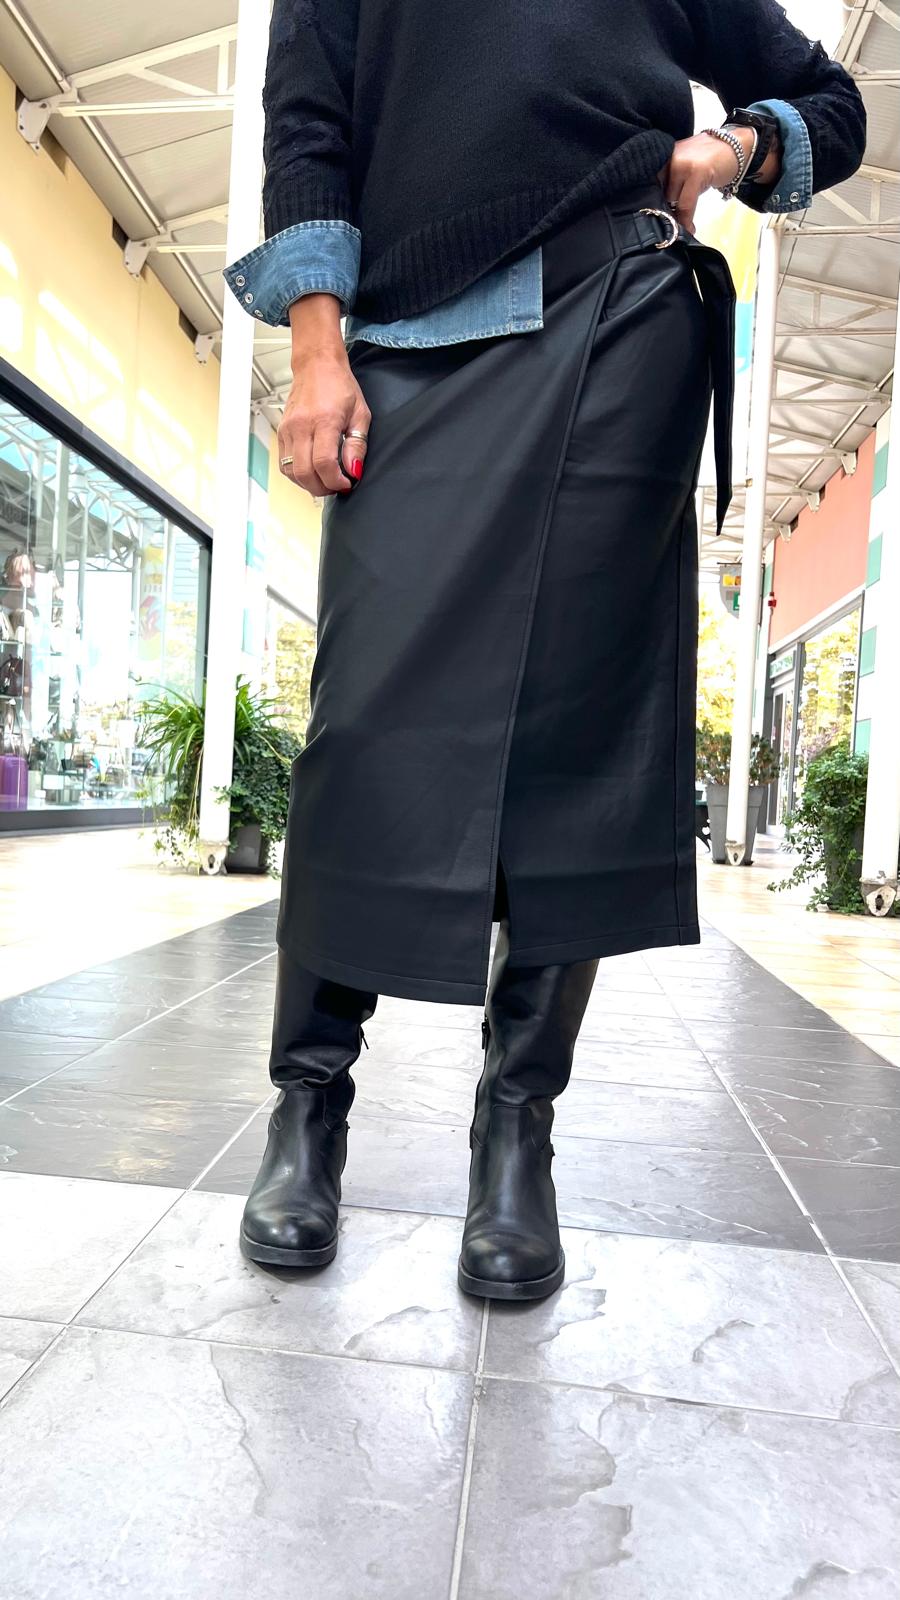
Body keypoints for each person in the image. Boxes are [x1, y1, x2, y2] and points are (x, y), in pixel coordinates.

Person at [224, 0, 865, 1300]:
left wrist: (734, 149)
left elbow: (831, 106)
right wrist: (316, 350)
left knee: (573, 736)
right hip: (411, 339)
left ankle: (518, 1129)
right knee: (364, 729)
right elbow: (308, 125)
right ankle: (309, 1104)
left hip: (622, 314)